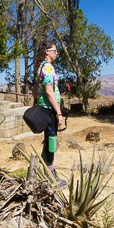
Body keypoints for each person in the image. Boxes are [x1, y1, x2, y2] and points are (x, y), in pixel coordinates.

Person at [34, 40, 64, 178]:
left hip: (48, 108)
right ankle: (50, 174)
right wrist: (59, 112)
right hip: (49, 110)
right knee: (51, 140)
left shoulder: (45, 67)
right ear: (47, 52)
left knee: (50, 140)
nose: (56, 53)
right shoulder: (47, 68)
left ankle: (49, 171)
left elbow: (46, 89)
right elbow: (49, 91)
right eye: (54, 50)